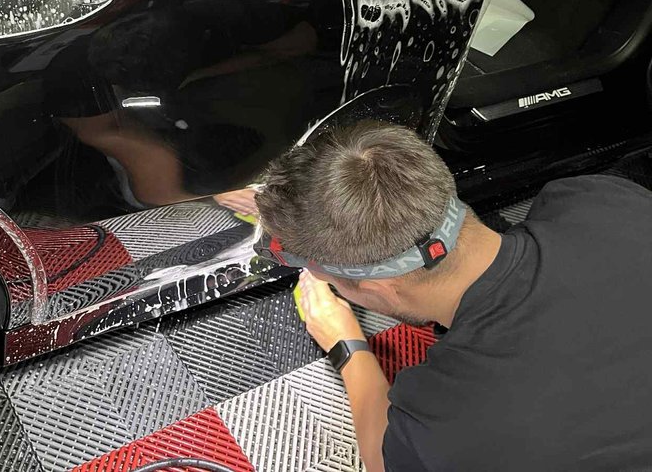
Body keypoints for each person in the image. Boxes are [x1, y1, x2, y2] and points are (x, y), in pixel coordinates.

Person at [254, 120, 652, 471]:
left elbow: (381, 460)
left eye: (329, 279)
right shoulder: (599, 198)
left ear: (377, 287)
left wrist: (347, 346)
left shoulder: (444, 424)